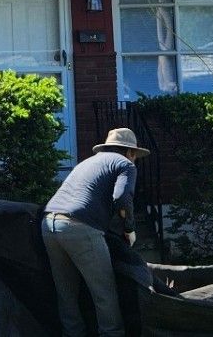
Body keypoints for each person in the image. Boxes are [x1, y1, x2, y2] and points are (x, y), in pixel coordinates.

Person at [43, 128, 147, 337]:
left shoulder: (87, 163)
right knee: (104, 294)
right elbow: (122, 197)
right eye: (135, 155)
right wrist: (129, 228)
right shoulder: (125, 165)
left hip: (48, 224)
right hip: (79, 228)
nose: (135, 159)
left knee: (67, 295)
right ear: (130, 152)